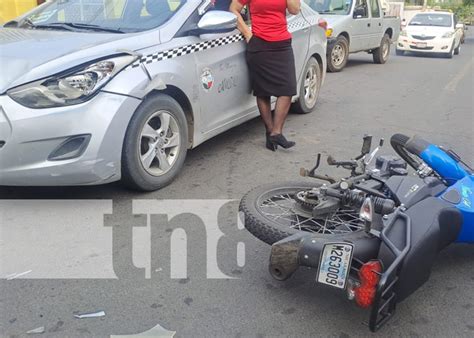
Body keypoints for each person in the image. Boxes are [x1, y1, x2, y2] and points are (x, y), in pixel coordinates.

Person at [230, 0, 301, 151]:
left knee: (288, 89)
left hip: (282, 44)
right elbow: (233, 9)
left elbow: (295, 10)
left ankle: (276, 132)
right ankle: (270, 132)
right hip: (259, 44)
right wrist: (247, 32)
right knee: (263, 91)